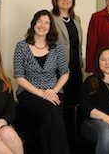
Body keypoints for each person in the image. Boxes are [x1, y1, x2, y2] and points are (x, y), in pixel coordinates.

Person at [13, 10, 71, 154]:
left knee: (48, 120)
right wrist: (41, 93)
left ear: (50, 27)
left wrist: (53, 91)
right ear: (34, 23)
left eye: (46, 23)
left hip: (54, 92)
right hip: (29, 93)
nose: (42, 25)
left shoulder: (56, 46)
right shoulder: (21, 46)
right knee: (52, 111)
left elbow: (65, 72)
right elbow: (19, 77)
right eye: (39, 21)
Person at [51, 0, 84, 106]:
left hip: (75, 66)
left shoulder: (76, 19)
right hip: (58, 67)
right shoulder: (50, 18)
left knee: (75, 101)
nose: (66, 0)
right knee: (61, 100)